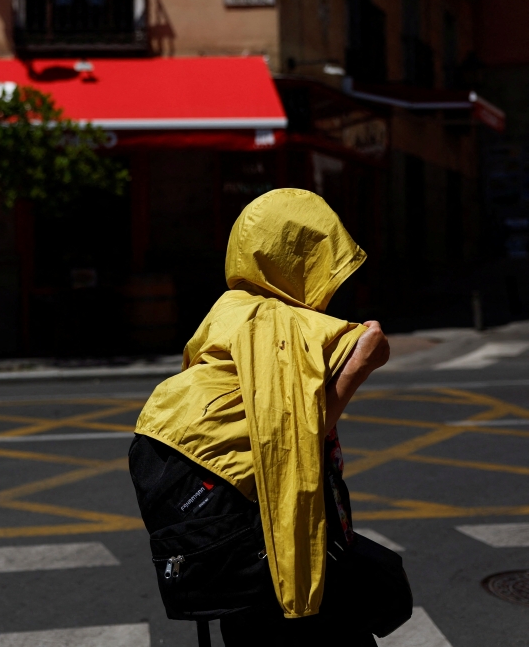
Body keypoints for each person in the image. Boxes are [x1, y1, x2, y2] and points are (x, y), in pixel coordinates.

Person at [129, 188, 391, 646]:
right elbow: (289, 446)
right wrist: (361, 362)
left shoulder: (224, 313)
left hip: (232, 557)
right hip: (274, 560)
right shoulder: (276, 326)